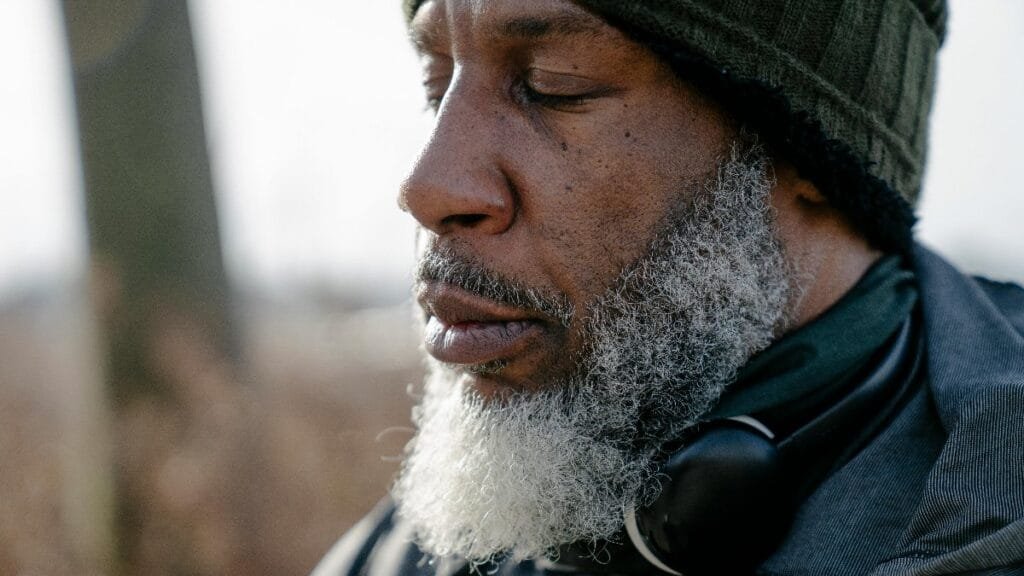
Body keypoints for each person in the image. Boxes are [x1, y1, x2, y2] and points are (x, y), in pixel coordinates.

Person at [313, 0, 1024, 574]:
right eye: (437, 86)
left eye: (556, 84)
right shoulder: (416, 546)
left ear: (811, 147)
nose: (428, 186)